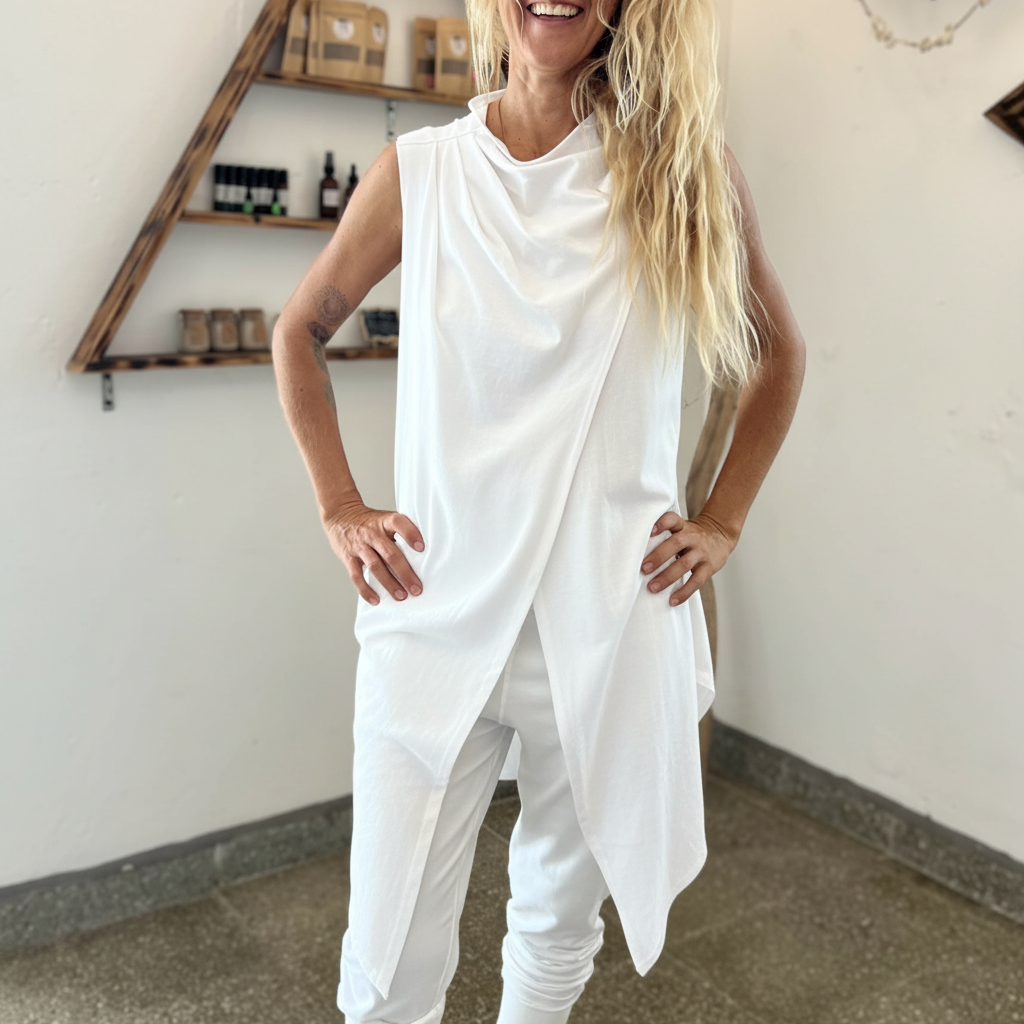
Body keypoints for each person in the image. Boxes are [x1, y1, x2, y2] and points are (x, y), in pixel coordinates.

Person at [271, 0, 806, 1019]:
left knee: (557, 926)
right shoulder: (420, 173)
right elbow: (298, 330)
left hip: (611, 617)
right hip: (433, 608)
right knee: (385, 958)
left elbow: (777, 351)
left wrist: (724, 516)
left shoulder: (676, 172)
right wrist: (340, 503)